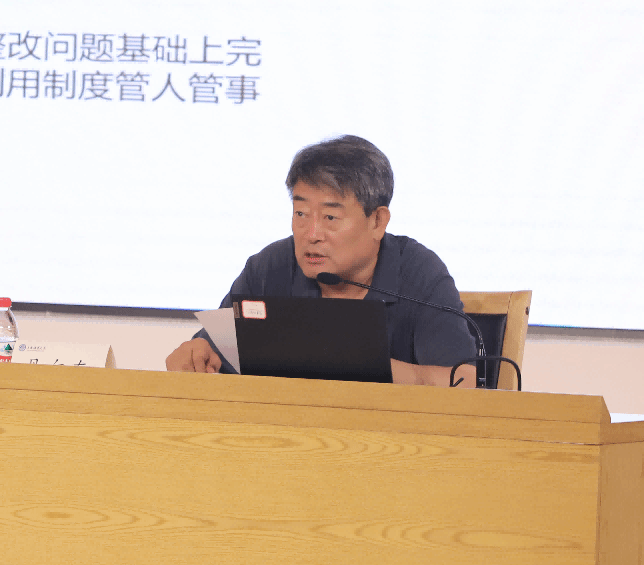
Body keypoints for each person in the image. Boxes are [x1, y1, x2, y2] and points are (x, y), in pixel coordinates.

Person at [165, 135, 477, 388]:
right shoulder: (270, 268)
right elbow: (209, 352)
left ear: (377, 221)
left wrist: (365, 367)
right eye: (301, 213)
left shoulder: (419, 273)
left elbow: (464, 382)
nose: (312, 234)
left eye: (330, 217)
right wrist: (195, 355)